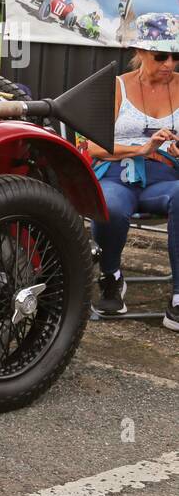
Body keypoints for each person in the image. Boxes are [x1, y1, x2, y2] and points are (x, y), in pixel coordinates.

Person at [83, 47, 179, 329]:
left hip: (164, 176)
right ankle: (111, 277)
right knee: (110, 205)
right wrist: (142, 148)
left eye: (176, 57)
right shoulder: (118, 86)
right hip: (117, 174)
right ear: (141, 51)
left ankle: (178, 296)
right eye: (161, 56)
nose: (169, 64)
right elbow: (91, 145)